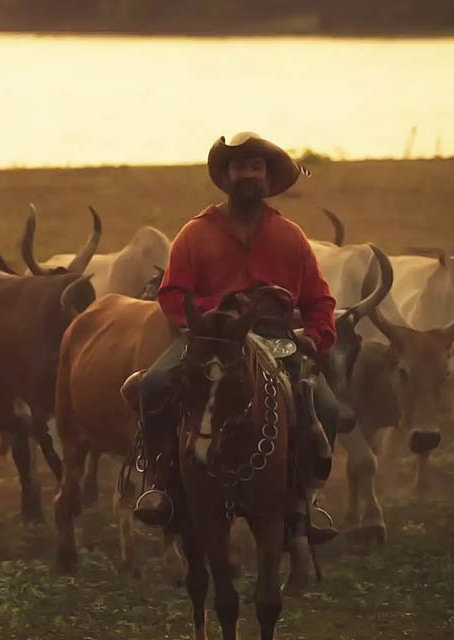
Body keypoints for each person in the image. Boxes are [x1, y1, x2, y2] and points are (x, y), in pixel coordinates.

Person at [133, 132, 338, 543]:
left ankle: (304, 501)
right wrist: (199, 324)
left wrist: (316, 337)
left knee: (326, 407)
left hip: (275, 336)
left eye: (255, 167)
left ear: (267, 177)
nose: (247, 174)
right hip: (211, 335)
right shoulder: (194, 234)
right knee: (154, 385)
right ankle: (159, 483)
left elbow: (319, 299)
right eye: (239, 167)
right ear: (226, 178)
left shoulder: (290, 236)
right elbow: (172, 293)